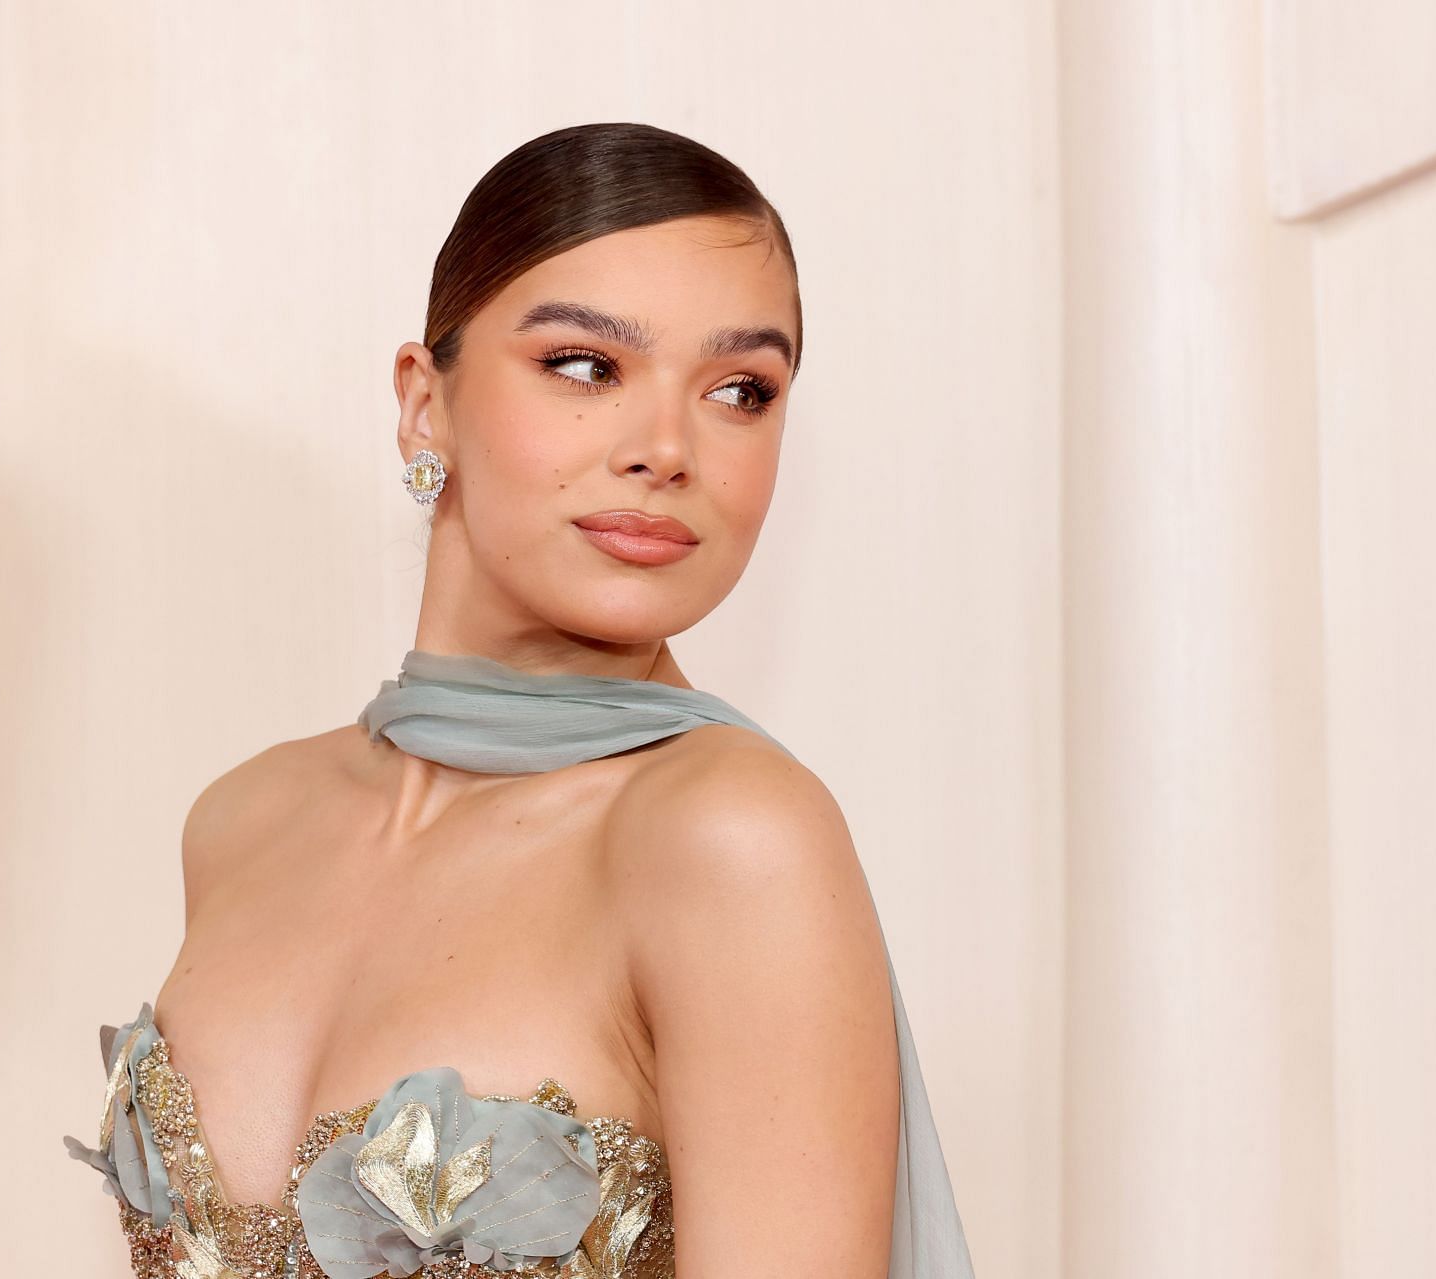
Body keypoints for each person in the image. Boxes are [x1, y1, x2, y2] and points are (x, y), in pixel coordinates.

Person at [64, 121, 977, 1278]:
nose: (665, 447)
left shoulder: (732, 839)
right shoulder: (243, 820)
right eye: (587, 365)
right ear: (422, 403)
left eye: (740, 389)